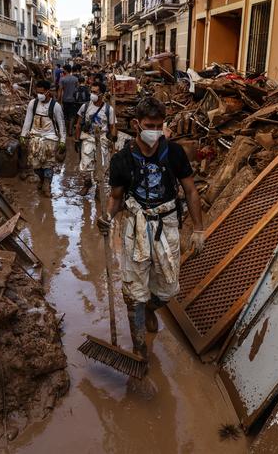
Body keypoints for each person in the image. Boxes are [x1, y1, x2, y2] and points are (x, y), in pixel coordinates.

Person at [97, 97, 205, 360]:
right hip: (135, 224)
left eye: (159, 125)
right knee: (134, 290)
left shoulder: (174, 153)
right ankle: (138, 349)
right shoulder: (122, 159)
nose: (154, 130)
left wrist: (199, 229)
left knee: (169, 289)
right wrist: (107, 218)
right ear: (136, 124)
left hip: (167, 223)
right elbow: (116, 198)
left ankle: (149, 308)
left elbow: (190, 191)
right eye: (149, 125)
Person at [20, 80, 66, 198]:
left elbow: (61, 124)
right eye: (37, 92)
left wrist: (62, 141)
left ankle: (47, 185)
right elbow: (28, 120)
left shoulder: (55, 106)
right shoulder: (32, 104)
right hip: (35, 138)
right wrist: (23, 135)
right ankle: (41, 180)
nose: (39, 94)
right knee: (36, 165)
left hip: (50, 139)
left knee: (48, 164)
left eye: (41, 92)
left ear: (48, 92)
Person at [75, 82, 116, 196]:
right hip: (88, 138)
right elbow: (78, 124)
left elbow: (112, 127)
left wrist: (113, 143)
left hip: (103, 140)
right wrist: (76, 140)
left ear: (102, 94)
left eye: (95, 92)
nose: (92, 94)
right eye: (91, 91)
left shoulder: (109, 110)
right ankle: (87, 183)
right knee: (85, 166)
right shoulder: (85, 106)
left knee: (102, 166)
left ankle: (99, 187)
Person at [58, 64, 79, 136]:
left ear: (66, 70)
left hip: (65, 100)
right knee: (72, 115)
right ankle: (70, 130)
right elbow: (77, 89)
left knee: (66, 116)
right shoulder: (75, 79)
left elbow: (60, 91)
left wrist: (58, 100)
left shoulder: (62, 79)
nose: (62, 70)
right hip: (73, 100)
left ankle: (66, 130)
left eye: (63, 69)